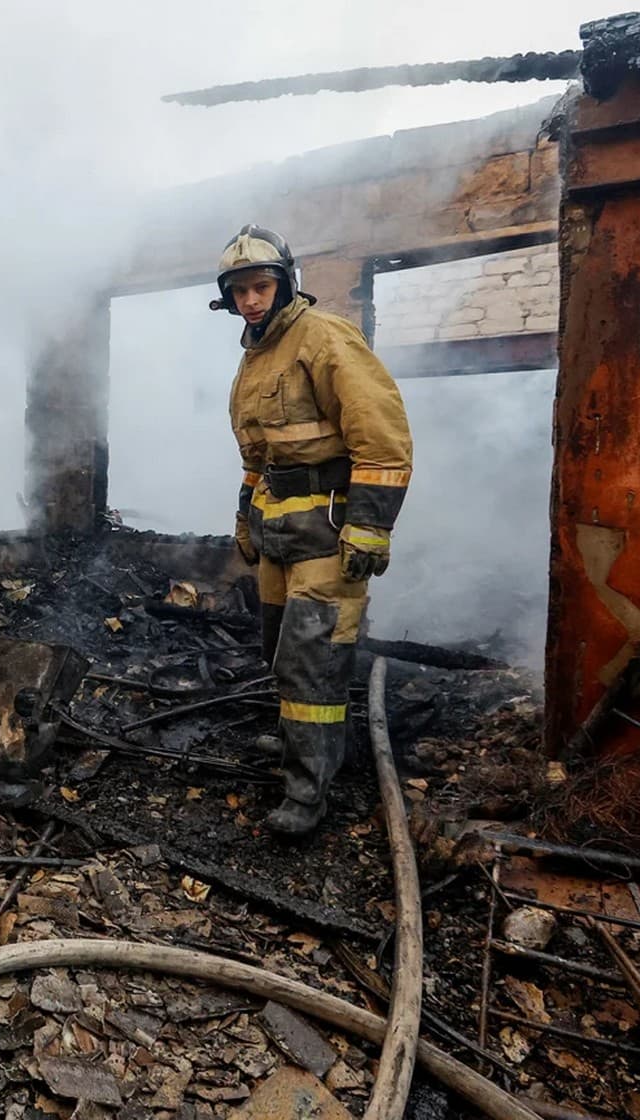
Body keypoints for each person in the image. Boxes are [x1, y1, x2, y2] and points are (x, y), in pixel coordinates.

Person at [213, 225, 412, 836]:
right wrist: (246, 517)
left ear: (286, 282)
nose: (251, 299)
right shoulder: (254, 358)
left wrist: (369, 530)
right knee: (280, 649)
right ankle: (309, 746)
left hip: (328, 530)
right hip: (280, 533)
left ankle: (307, 795)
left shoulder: (324, 338)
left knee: (312, 660)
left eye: (261, 286)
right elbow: (259, 458)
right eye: (240, 290)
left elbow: (382, 440)